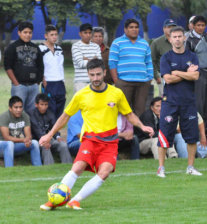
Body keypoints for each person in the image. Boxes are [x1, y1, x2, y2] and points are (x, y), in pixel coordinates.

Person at [39, 58, 154, 210]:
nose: (95, 78)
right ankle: (54, 200)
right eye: (92, 75)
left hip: (110, 142)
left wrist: (142, 125)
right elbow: (65, 116)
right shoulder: (81, 95)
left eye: (98, 74)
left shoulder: (116, 93)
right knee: (78, 167)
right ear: (88, 74)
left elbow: (129, 114)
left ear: (104, 73)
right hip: (90, 139)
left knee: (104, 172)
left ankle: (75, 200)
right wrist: (49, 135)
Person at [157, 26, 202, 178]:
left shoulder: (192, 56)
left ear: (184, 38)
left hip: (188, 102)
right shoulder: (166, 58)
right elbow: (167, 79)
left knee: (192, 136)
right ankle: (161, 168)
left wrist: (177, 72)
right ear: (170, 39)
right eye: (174, 37)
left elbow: (195, 76)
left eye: (179, 36)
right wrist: (186, 74)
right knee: (164, 134)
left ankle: (190, 167)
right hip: (170, 102)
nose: (177, 39)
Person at [109, 18, 153, 117]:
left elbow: (149, 62)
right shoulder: (117, 43)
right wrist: (116, 81)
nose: (134, 29)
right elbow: (112, 63)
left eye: (136, 27)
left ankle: (138, 132)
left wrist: (149, 78)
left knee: (141, 111)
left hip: (142, 82)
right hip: (124, 82)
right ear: (125, 30)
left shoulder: (144, 43)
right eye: (131, 27)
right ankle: (123, 132)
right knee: (123, 111)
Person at [4, 21, 43, 113]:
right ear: (19, 33)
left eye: (30, 32)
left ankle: (29, 128)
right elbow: (8, 66)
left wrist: (37, 83)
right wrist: (16, 83)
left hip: (34, 86)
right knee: (18, 112)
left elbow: (40, 66)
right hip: (19, 86)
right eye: (25, 32)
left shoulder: (36, 48)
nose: (27, 35)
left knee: (33, 112)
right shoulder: (12, 47)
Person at [186, 15, 207, 122]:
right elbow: (187, 58)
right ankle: (199, 128)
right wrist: (193, 69)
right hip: (199, 73)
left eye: (203, 25)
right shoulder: (189, 40)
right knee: (199, 103)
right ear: (193, 26)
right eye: (198, 25)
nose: (201, 27)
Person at [29, 93, 72, 165]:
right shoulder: (31, 114)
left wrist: (58, 137)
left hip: (48, 139)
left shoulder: (50, 113)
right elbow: (37, 131)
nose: (44, 107)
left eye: (46, 104)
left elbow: (54, 127)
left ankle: (68, 167)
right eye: (42, 104)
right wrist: (45, 141)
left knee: (63, 145)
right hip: (36, 141)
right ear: (36, 105)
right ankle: (49, 167)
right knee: (46, 147)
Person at [0, 96, 42, 167]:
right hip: (3, 147)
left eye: (20, 107)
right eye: (16, 107)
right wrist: (23, 140)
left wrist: (28, 140)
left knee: (34, 143)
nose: (19, 110)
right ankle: (10, 170)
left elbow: (28, 135)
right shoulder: (4, 117)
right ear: (10, 108)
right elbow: (6, 138)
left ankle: (38, 168)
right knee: (9, 144)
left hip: (15, 146)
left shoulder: (25, 116)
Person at [39, 24, 66, 120]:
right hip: (49, 82)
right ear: (46, 36)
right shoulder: (41, 49)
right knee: (50, 108)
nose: (54, 37)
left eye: (56, 34)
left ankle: (57, 132)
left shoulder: (59, 49)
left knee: (60, 108)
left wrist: (63, 81)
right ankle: (49, 132)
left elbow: (60, 66)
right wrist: (43, 80)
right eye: (52, 35)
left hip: (60, 82)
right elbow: (39, 66)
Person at [71, 23, 102, 92]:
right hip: (81, 82)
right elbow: (81, 64)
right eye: (85, 33)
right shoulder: (76, 46)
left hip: (95, 81)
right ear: (80, 34)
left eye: (90, 33)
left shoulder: (96, 46)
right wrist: (93, 59)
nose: (88, 35)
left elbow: (99, 63)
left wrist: (86, 59)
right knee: (82, 103)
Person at [150, 19, 177, 97]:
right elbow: (151, 60)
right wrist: (156, 76)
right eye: (169, 27)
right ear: (164, 28)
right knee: (165, 99)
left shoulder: (179, 40)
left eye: (173, 27)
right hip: (163, 76)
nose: (171, 29)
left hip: (178, 75)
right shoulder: (157, 42)